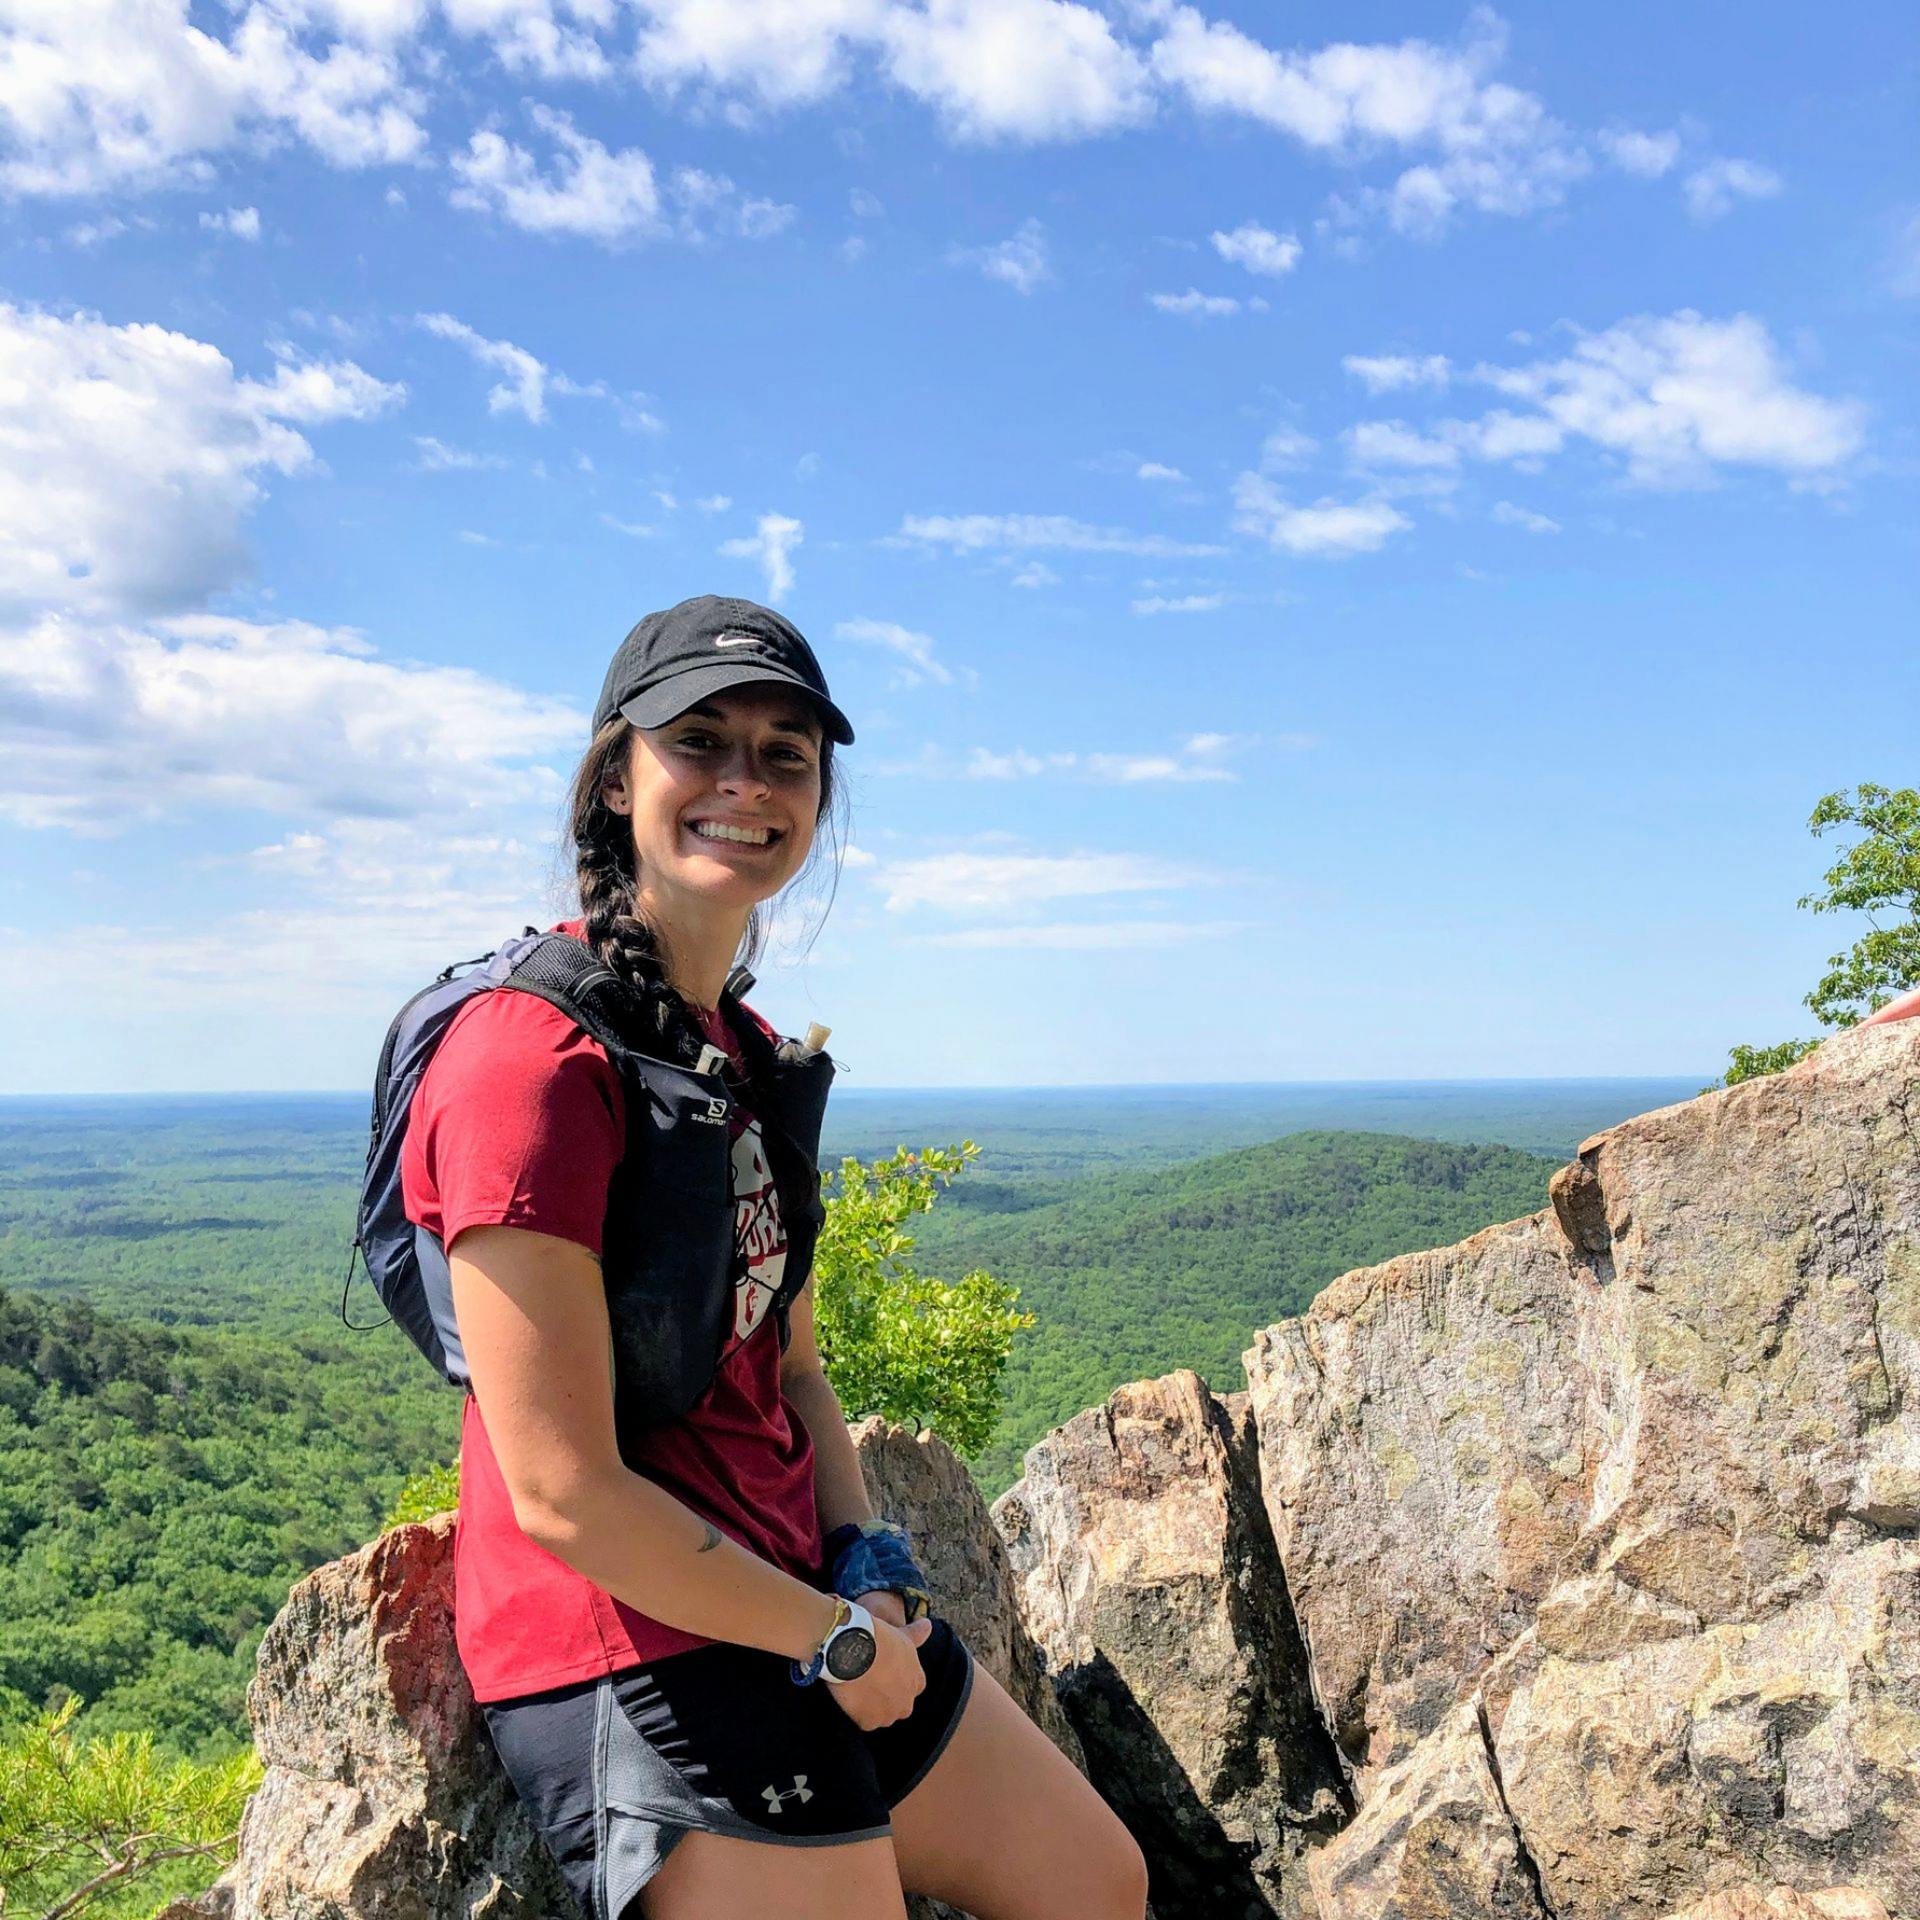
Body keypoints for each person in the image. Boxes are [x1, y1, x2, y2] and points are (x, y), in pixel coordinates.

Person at [401, 594, 1149, 1920]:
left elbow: (794, 1375)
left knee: (1096, 1881)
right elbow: (565, 1492)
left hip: (794, 1593)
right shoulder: (529, 1061)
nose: (745, 782)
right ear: (617, 777)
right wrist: (832, 1637)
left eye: (785, 755)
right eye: (701, 741)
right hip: (628, 1642)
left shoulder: (738, 1060)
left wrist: (864, 1556)